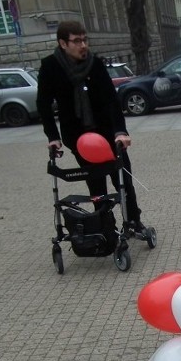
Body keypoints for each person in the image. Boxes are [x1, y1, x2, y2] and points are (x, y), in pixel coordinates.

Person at [36, 21, 147, 234]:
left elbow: (111, 100)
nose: (83, 45)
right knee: (96, 187)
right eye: (76, 41)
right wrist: (53, 136)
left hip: (107, 135)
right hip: (79, 137)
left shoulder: (95, 64)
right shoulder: (50, 67)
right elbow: (43, 105)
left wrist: (120, 131)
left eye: (85, 39)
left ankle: (133, 221)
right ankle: (106, 227)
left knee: (123, 181)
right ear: (63, 43)